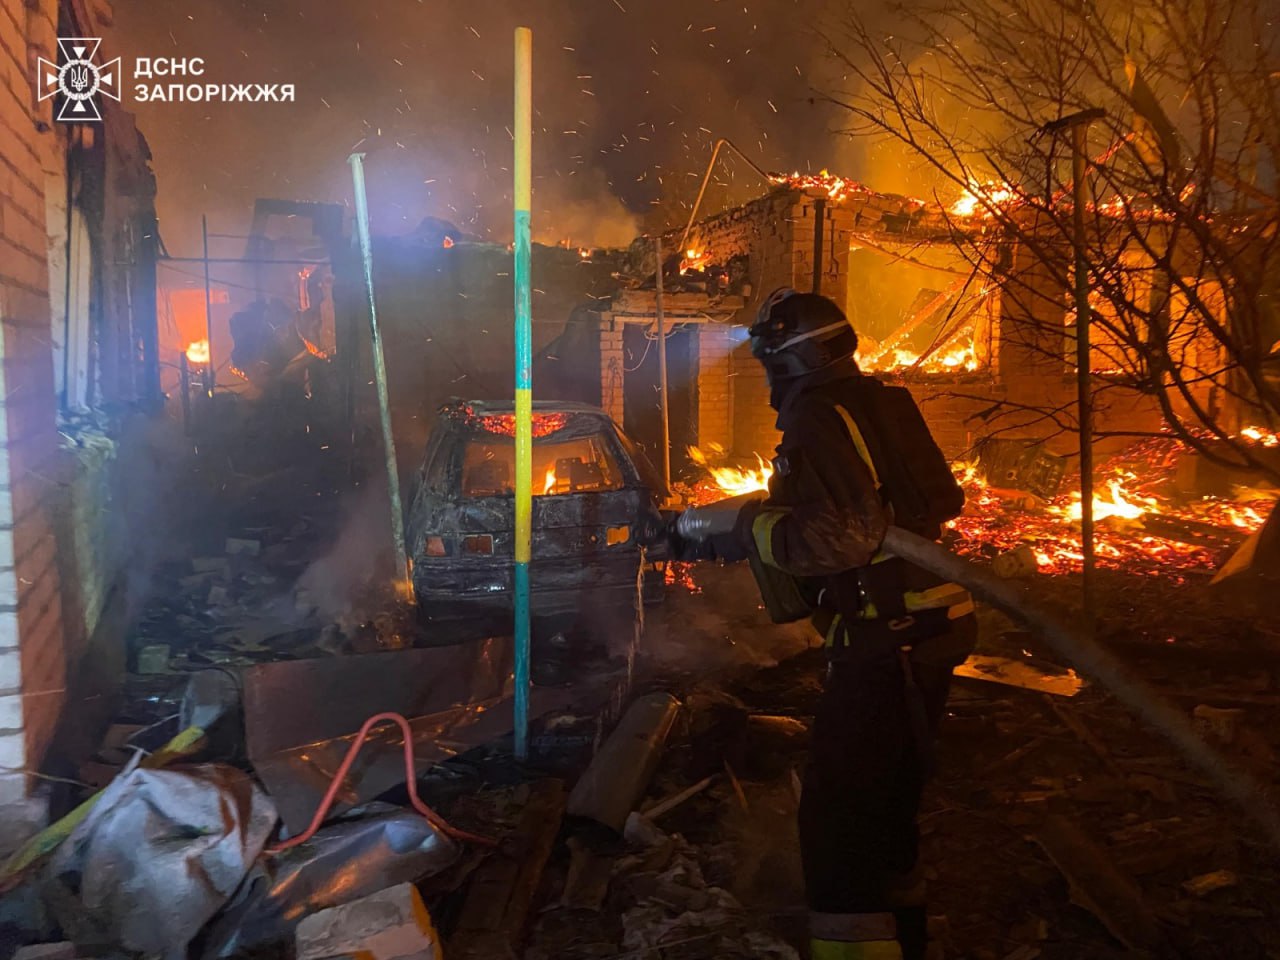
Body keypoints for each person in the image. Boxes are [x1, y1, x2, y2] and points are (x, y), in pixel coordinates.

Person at [676, 288, 977, 960]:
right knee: (888, 800)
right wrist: (722, 527)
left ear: (790, 359)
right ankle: (905, 935)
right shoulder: (874, 403)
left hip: (888, 640)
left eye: (767, 360)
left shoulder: (817, 416)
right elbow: (907, 504)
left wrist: (755, 529)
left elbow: (840, 538)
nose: (766, 377)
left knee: (838, 819)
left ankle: (854, 948)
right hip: (930, 625)